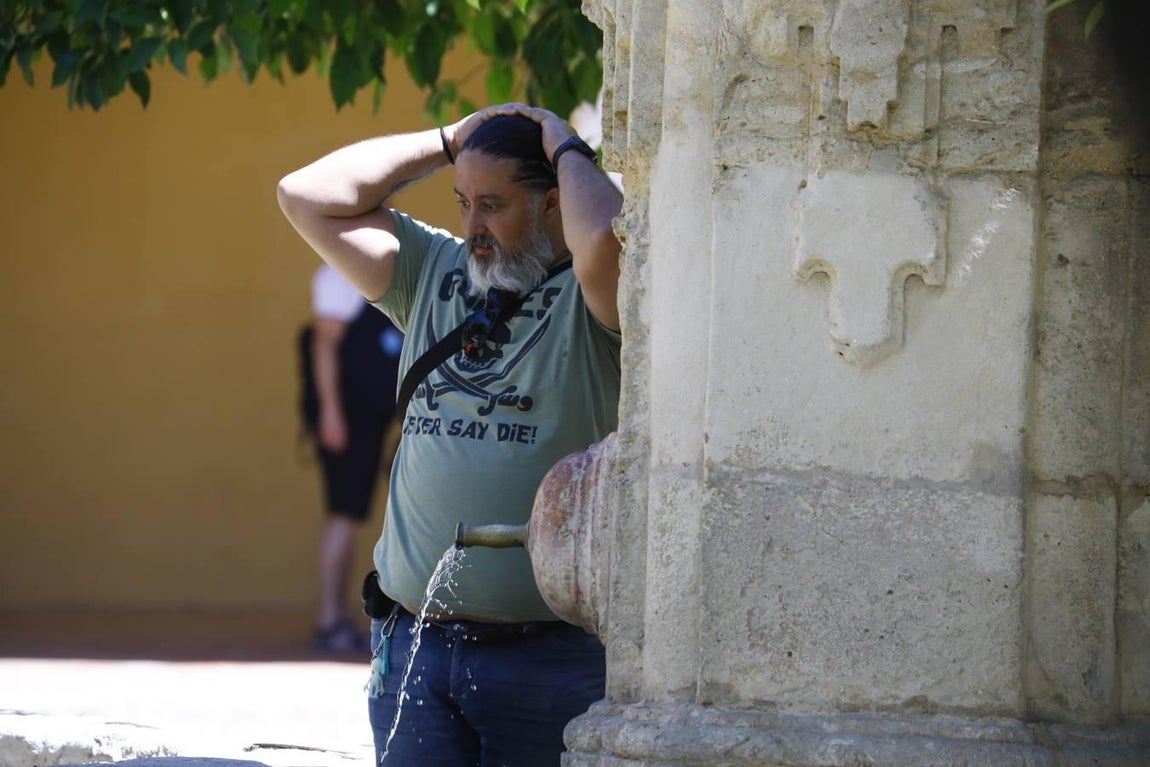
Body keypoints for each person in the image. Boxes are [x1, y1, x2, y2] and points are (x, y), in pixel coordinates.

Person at [277, 103, 624, 766]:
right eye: (463, 202)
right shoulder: (431, 269)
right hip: (414, 647)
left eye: (492, 204)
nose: (473, 227)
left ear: (552, 204)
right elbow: (304, 196)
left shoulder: (589, 298)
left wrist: (564, 143)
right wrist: (447, 138)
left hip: (549, 660)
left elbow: (604, 233)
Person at [303, 263, 404, 653]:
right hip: (348, 416)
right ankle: (329, 620)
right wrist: (331, 412)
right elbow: (323, 343)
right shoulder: (337, 275)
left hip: (380, 414)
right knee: (344, 513)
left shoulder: (384, 268)